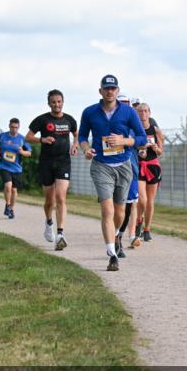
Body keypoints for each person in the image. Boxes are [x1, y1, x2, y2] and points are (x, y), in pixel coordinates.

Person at [77, 75, 146, 271]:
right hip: (101, 165)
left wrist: (124, 141)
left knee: (120, 211)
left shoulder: (128, 112)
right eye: (106, 88)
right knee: (107, 210)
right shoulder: (90, 112)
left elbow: (141, 138)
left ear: (117, 90)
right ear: (100, 91)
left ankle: (115, 235)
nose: (110, 91)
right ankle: (112, 253)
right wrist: (85, 149)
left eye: (113, 88)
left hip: (123, 165)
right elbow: (82, 135)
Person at [27, 89, 79, 250]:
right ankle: (49, 221)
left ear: (63, 102)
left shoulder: (70, 119)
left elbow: (77, 134)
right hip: (46, 162)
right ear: (49, 103)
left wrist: (75, 144)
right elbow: (27, 137)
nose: (57, 104)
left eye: (59, 101)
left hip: (63, 161)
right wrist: (42, 139)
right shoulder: (42, 120)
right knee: (49, 201)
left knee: (60, 197)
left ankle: (60, 234)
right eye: (53, 102)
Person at [114, 93, 141, 257]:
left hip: (131, 171)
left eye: (126, 104)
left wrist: (141, 146)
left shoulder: (134, 123)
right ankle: (115, 241)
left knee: (129, 207)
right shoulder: (109, 123)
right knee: (114, 209)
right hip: (112, 170)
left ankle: (120, 236)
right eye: (120, 104)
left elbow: (141, 139)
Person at [135, 101, 164, 242]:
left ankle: (147, 229)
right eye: (140, 111)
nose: (143, 113)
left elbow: (160, 151)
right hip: (140, 165)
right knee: (142, 199)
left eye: (145, 111)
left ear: (149, 113)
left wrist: (154, 147)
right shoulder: (135, 130)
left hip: (153, 166)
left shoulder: (155, 129)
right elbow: (138, 151)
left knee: (150, 201)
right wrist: (143, 149)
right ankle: (138, 220)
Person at [0, 118, 32, 219]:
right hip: (4, 166)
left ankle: (11, 208)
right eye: (12, 127)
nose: (14, 129)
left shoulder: (22, 139)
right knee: (8, 186)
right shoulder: (2, 136)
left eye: (16, 127)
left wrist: (22, 152)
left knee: (14, 190)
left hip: (17, 168)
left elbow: (29, 153)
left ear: (19, 127)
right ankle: (7, 204)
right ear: (9, 126)